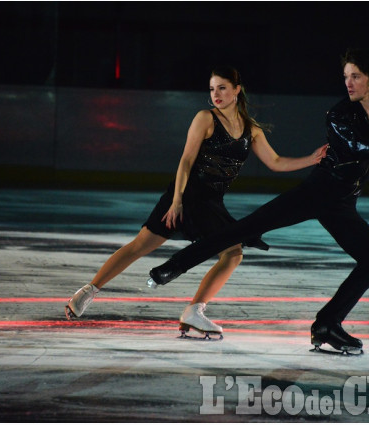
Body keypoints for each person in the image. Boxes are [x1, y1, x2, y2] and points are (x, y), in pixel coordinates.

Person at [148, 48, 369, 353]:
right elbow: (355, 146)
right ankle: (172, 267)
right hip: (318, 191)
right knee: (247, 228)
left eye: (355, 76)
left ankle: (327, 324)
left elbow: (366, 155)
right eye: (345, 76)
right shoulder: (338, 114)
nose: (348, 82)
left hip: (343, 203)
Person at [65, 66, 327, 336]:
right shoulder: (206, 118)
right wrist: (177, 200)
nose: (216, 94)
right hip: (188, 195)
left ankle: (193, 311)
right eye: (212, 89)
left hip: (211, 202)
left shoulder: (252, 130)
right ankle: (90, 292)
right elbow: (186, 160)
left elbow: (276, 162)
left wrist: (312, 158)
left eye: (222, 88)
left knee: (231, 253)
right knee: (145, 246)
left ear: (237, 89)